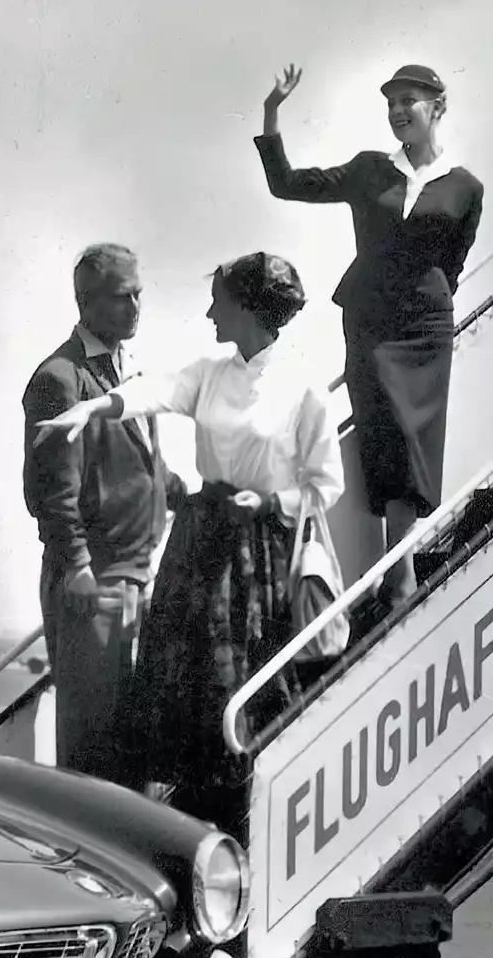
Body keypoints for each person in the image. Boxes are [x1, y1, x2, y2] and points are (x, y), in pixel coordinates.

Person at [35, 253, 345, 834]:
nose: (208, 314)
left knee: (244, 688)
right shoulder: (207, 371)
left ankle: (244, 828)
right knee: (184, 694)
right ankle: (183, 831)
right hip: (199, 547)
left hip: (258, 556)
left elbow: (326, 484)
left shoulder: (303, 388)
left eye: (218, 303)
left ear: (247, 308)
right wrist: (92, 406)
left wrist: (269, 503)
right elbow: (152, 395)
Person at [254, 63, 485, 606]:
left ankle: (398, 574)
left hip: (425, 328)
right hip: (371, 321)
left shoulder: (467, 188)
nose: (398, 111)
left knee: (414, 437)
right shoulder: (369, 169)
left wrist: (429, 303)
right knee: (385, 431)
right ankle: (397, 571)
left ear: (437, 106)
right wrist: (271, 112)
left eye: (409, 101)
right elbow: (287, 184)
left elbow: (452, 262)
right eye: (391, 103)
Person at [21, 243, 184, 787]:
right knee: (93, 745)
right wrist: (77, 566)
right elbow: (51, 490)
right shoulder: (60, 379)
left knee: (130, 739)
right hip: (94, 579)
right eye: (121, 297)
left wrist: (193, 496)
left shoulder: (128, 371)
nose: (135, 307)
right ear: (86, 302)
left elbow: (147, 464)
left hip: (134, 573)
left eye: (139, 294)